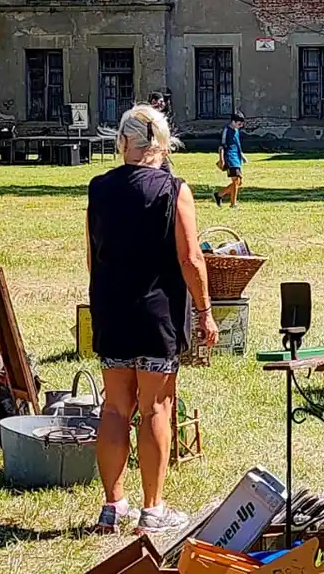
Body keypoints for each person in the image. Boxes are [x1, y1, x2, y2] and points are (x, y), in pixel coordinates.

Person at [88, 104, 219, 535]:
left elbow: (93, 255)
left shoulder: (98, 188)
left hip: (111, 309)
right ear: (163, 145)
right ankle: (153, 509)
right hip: (156, 314)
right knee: (155, 408)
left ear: (122, 142)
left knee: (115, 408)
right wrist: (205, 311)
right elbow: (191, 258)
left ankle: (113, 505)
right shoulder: (174, 190)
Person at [214, 111, 246, 208]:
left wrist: (242, 155)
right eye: (239, 124)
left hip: (237, 158)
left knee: (239, 182)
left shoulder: (236, 131)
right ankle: (233, 203)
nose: (240, 126)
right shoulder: (226, 130)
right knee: (236, 180)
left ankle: (219, 195)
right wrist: (222, 159)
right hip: (230, 158)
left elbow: (237, 144)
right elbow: (222, 146)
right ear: (233, 121)